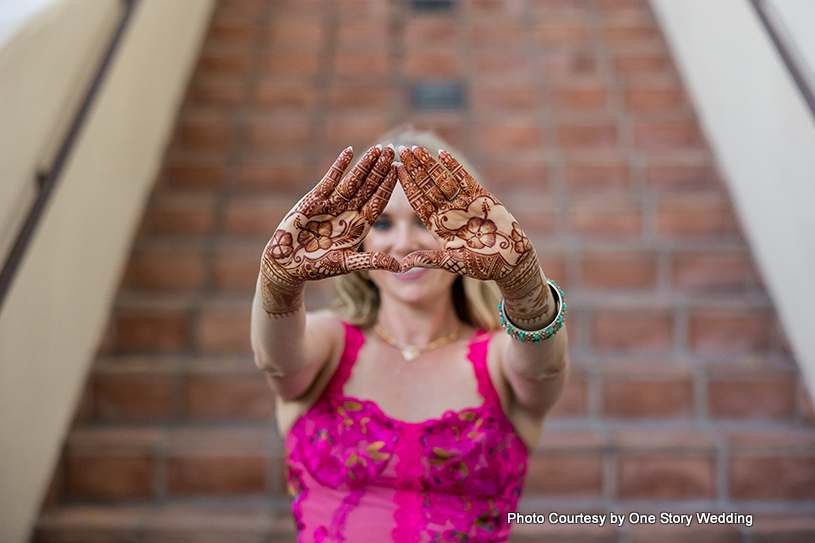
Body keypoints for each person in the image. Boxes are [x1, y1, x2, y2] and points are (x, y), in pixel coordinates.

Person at [251, 128, 568, 542]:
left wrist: (527, 288)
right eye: (382, 223)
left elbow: (545, 370)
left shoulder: (498, 359)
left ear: (468, 233)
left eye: (424, 220)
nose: (403, 243)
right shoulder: (328, 344)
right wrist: (278, 285)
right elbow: (276, 360)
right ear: (358, 238)